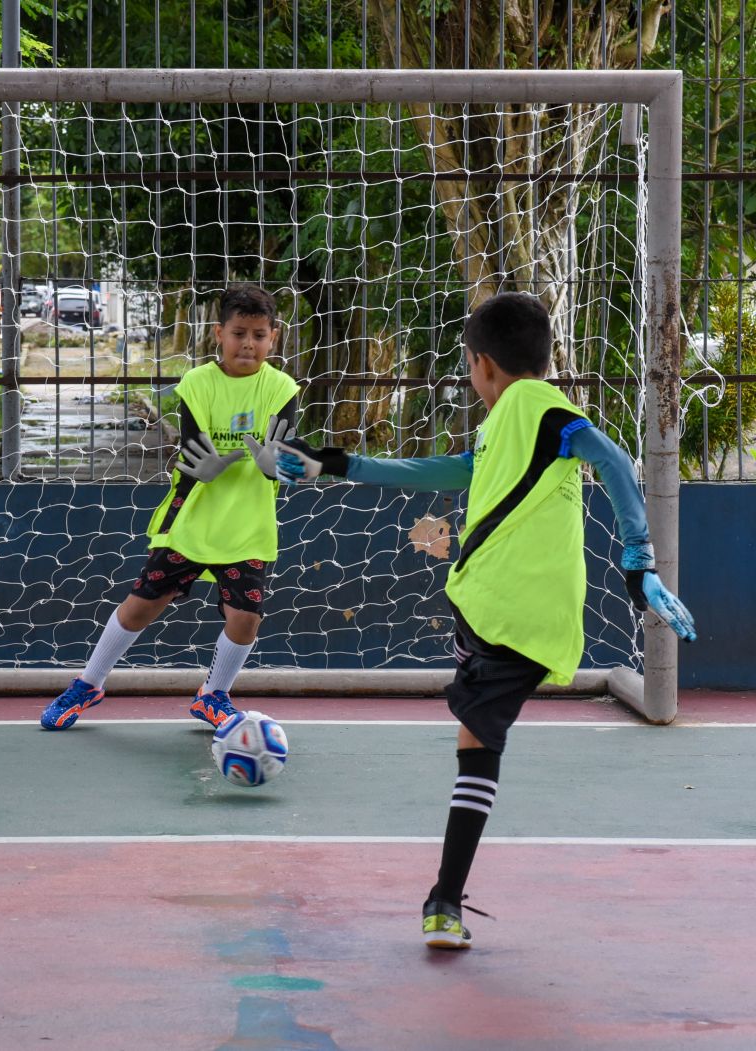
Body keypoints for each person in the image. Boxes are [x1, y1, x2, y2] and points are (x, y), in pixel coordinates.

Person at [265, 291, 696, 950]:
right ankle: (443, 899)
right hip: (494, 608)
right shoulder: (511, 423)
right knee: (477, 744)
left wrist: (639, 561)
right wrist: (340, 463)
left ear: (483, 365)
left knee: (477, 745)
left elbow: (610, 458)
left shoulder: (546, 411)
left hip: (506, 612)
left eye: (469, 367)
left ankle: (443, 899)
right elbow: (451, 470)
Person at [40, 284, 299, 731]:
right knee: (141, 605)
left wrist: (273, 465)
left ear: (273, 338)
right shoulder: (198, 384)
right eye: (239, 333)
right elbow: (193, 453)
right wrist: (209, 464)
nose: (249, 344)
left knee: (247, 617)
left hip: (248, 525)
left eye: (259, 335)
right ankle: (89, 683)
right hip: (193, 519)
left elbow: (281, 458)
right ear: (219, 334)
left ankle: (213, 695)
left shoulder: (281, 388)